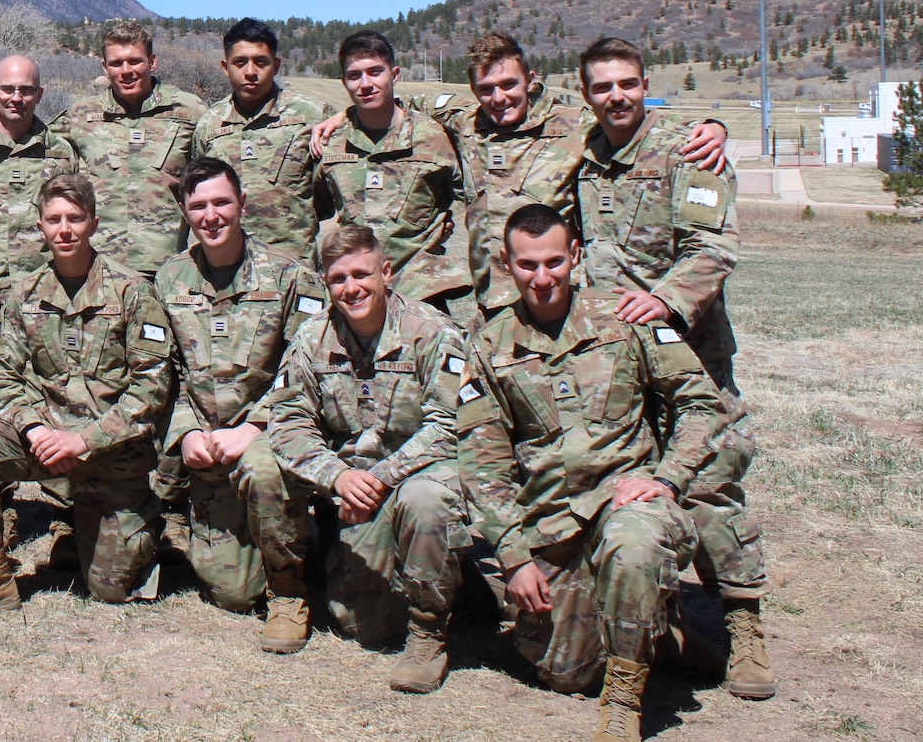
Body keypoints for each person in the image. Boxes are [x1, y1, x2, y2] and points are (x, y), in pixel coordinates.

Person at [460, 204, 727, 740]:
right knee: (565, 673)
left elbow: (701, 403)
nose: (542, 278)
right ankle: (663, 634)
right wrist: (512, 557)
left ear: (576, 256)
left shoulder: (627, 319)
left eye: (554, 261)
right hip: (553, 525)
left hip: (627, 506)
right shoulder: (489, 344)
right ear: (507, 264)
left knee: (633, 543)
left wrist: (668, 478)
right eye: (527, 264)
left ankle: (624, 703)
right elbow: (481, 462)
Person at [573, 36, 772, 699]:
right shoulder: (585, 156)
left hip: (689, 350)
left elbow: (713, 246)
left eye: (627, 82)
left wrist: (665, 298)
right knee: (634, 486)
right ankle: (664, 624)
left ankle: (744, 624)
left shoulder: (689, 151)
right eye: (602, 86)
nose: (616, 96)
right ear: (586, 93)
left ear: (645, 81)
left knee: (708, 483)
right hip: (618, 360)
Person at [309, 31, 727, 317]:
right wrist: (342, 116)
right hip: (491, 302)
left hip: (557, 297)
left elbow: (628, 115)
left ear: (530, 79)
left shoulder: (575, 123)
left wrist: (713, 126)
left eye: (509, 84)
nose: (499, 97)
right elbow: (391, 103)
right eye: (486, 89)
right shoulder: (463, 124)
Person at [0, 174, 173, 615]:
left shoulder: (132, 291)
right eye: (54, 219)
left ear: (94, 223)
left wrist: (85, 441)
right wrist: (35, 427)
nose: (65, 229)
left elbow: (152, 386)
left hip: (110, 451)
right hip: (46, 439)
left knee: (111, 589)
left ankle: (136, 521)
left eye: (75, 219)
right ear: (40, 227)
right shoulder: (24, 293)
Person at [263, 226, 470, 693]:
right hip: (348, 484)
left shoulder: (432, 331)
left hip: (413, 475)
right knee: (364, 628)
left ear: (386, 272)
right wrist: (337, 477)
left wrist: (374, 478)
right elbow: (288, 420)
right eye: (338, 278)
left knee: (425, 501)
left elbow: (448, 424)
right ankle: (293, 588)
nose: (351, 288)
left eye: (362, 274)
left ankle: (428, 635)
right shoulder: (312, 337)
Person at [151, 159, 324, 645]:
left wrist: (255, 429)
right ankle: (215, 521)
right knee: (231, 594)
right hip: (202, 443)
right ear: (185, 212)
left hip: (266, 436)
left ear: (242, 204)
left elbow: (306, 369)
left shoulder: (291, 277)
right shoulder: (169, 280)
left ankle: (289, 593)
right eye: (198, 206)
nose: (211, 216)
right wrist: (185, 432)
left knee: (265, 470)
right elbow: (161, 370)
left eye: (222, 202)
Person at [312, 31, 469, 309]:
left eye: (375, 72)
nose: (366, 83)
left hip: (421, 294)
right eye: (355, 75)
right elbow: (315, 208)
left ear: (394, 74)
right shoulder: (332, 142)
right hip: (355, 295)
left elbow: (471, 199)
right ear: (344, 82)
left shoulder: (433, 137)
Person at [49, 21, 207, 279]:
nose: (126, 71)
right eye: (116, 63)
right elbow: (40, 154)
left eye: (135, 61)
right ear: (104, 67)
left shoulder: (189, 111)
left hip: (168, 270)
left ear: (152, 61)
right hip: (96, 269)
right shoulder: (80, 114)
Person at [0, 54, 78, 363]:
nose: (16, 98)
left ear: (39, 95)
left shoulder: (60, 153)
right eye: (8, 89)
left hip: (44, 301)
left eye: (26, 90)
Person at [192, 19, 335, 264]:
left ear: (276, 65)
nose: (250, 72)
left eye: (261, 61)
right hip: (227, 269)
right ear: (225, 67)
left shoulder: (311, 115)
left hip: (292, 266)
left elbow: (329, 193)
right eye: (240, 62)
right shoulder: (209, 125)